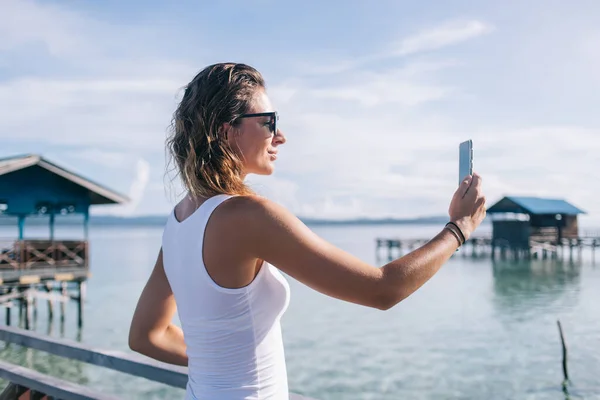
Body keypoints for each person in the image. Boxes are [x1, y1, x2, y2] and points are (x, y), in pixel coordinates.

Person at [128, 62, 487, 400]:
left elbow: (146, 336)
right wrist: (459, 228)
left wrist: (216, 361)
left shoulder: (178, 222)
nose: (279, 136)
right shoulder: (248, 216)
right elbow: (383, 288)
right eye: (269, 121)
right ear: (227, 130)